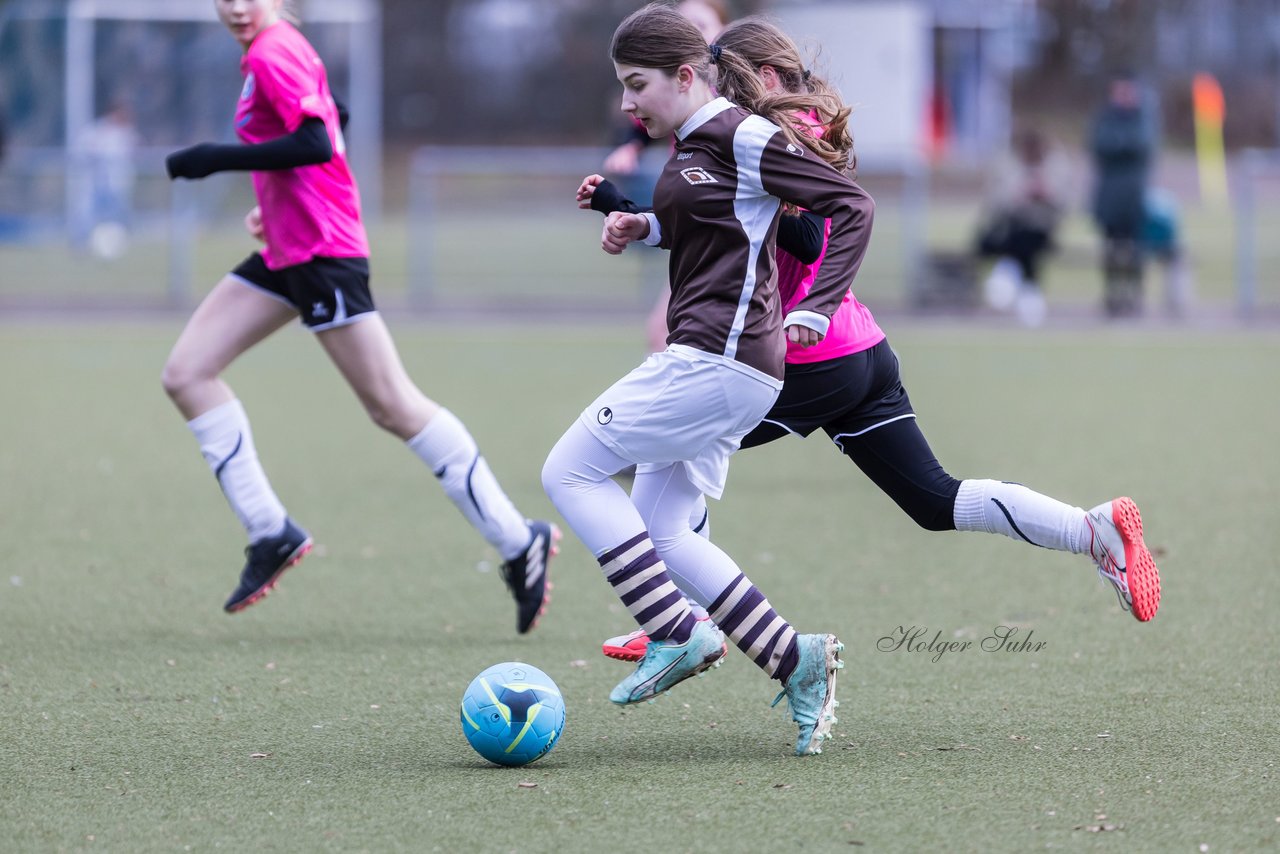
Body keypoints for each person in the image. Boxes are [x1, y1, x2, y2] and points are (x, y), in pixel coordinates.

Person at [578, 17, 1161, 669]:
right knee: (935, 500)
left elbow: (804, 235)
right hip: (861, 354)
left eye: (723, 77)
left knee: (670, 458)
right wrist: (627, 210)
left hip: (797, 356)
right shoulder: (782, 137)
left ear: (762, 80)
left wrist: (804, 290)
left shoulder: (768, 142)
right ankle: (1092, 529)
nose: (711, 95)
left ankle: (680, 620)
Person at [542, 4, 875, 757]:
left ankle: (675, 630)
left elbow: (849, 206)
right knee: (664, 531)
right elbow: (723, 224)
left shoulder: (743, 133)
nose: (627, 104)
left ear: (686, 76)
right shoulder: (694, 141)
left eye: (638, 85)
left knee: (568, 471)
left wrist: (818, 307)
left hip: (717, 362)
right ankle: (798, 661)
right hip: (722, 364)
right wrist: (641, 226)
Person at [161, 0, 557, 632]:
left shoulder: (271, 48)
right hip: (292, 247)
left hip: (322, 255)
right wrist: (281, 203)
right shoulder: (279, 45)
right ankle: (270, 531)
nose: (236, 6)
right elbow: (332, 117)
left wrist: (211, 157)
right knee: (187, 372)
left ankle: (517, 540)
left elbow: (316, 140)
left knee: (394, 406)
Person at [600, 0, 732, 352]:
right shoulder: (672, 94)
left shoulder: (736, 108)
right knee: (662, 331)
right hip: (698, 231)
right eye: (684, 25)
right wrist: (630, 148)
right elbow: (639, 120)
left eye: (701, 25)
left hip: (734, 243)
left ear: (724, 30)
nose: (692, 34)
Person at [975, 127, 1072, 327]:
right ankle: (1029, 293)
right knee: (1018, 239)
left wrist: (1046, 193)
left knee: (1027, 238)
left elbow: (1065, 203)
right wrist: (1018, 194)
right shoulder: (1008, 165)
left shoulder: (1055, 166)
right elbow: (995, 202)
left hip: (1041, 228)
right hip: (1009, 228)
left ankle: (1008, 276)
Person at [1089, 71, 1159, 317]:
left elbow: (1142, 145)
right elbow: (1099, 145)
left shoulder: (1144, 117)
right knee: (1110, 247)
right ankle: (1112, 294)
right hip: (1109, 196)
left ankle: (1133, 295)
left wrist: (1119, 144)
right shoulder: (1105, 117)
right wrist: (1121, 144)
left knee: (1135, 248)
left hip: (1133, 196)